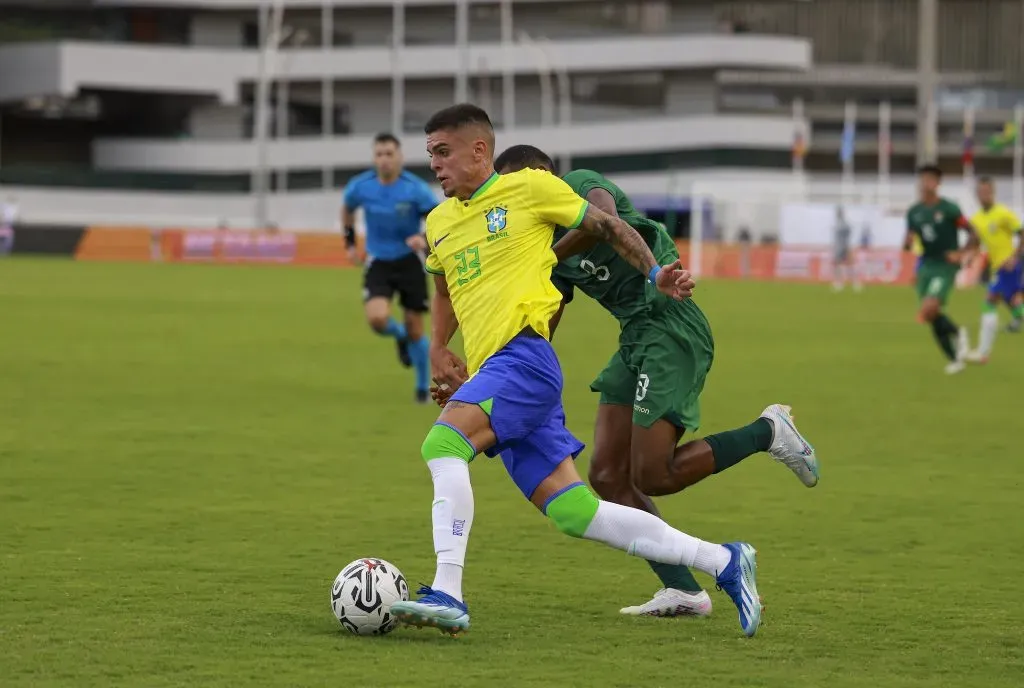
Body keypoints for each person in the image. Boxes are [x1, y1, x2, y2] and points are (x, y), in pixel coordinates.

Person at [388, 104, 763, 638]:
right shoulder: (440, 221)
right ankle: (725, 561)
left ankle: (448, 592)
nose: (435, 165)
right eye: (430, 155)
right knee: (576, 512)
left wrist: (655, 271)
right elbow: (445, 287)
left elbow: (607, 224)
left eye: (443, 152)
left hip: (524, 360)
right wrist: (439, 350)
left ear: (479, 151)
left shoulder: (529, 190)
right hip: (497, 367)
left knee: (442, 446)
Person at [480, 144, 818, 618]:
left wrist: (547, 257)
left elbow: (604, 214)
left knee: (654, 476)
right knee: (606, 476)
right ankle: (684, 590)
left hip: (670, 326)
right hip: (635, 338)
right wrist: (514, 360)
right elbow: (547, 308)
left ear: (540, 176)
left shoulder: (576, 185)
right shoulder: (540, 235)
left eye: (517, 183)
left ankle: (769, 432)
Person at [341, 133, 438, 403]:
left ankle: (422, 389)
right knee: (377, 319)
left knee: (417, 327)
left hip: (409, 261)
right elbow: (347, 209)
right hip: (378, 261)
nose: (384, 159)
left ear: (400, 157)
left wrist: (424, 238)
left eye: (389, 154)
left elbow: (437, 218)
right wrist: (349, 242)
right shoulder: (361, 186)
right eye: (379, 154)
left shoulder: (414, 188)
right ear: (374, 158)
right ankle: (401, 336)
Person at [903, 164, 979, 374]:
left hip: (945, 265)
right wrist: (908, 247)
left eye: (930, 179)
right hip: (926, 265)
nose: (925, 183)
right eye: (923, 179)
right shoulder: (914, 212)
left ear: (938, 183)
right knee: (930, 316)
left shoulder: (949, 209)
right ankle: (955, 359)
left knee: (929, 308)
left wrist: (961, 253)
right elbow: (909, 243)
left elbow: (973, 234)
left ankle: (959, 332)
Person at [965, 177, 1024, 364]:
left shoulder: (1003, 213)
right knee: (1014, 302)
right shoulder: (976, 219)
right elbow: (974, 242)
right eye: (980, 192)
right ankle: (983, 352)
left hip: (1009, 265)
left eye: (987, 191)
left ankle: (982, 353)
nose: (984, 195)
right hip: (996, 267)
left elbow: (1022, 234)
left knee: (989, 302)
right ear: (977, 195)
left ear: (993, 192)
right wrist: (969, 256)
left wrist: (1015, 256)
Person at [832, 206, 860, 291]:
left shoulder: (843, 224)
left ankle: (854, 282)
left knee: (849, 264)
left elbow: (847, 234)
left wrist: (846, 246)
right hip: (840, 247)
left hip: (844, 246)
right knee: (839, 264)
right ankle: (840, 282)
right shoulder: (838, 224)